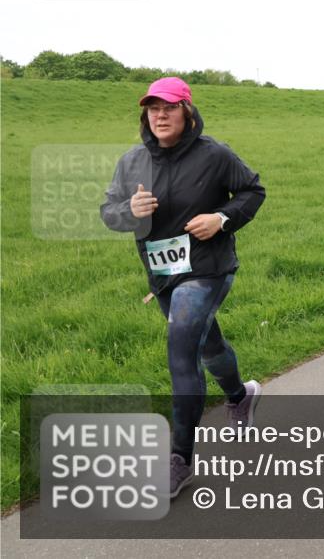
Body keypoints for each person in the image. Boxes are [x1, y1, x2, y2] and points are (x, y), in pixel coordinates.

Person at [101, 77, 266, 499]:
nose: (160, 115)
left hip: (208, 268)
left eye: (169, 107)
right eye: (153, 108)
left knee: (181, 349)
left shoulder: (215, 155)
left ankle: (180, 459)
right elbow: (109, 211)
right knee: (207, 345)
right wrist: (128, 210)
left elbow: (252, 191)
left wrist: (221, 219)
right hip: (162, 275)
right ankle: (240, 396)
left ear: (187, 112)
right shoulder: (132, 161)